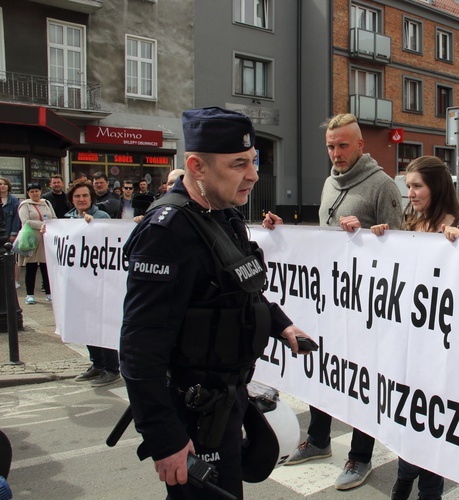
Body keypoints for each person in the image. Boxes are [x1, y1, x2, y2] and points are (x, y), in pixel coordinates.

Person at [120, 106, 314, 499]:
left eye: (253, 161)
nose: (253, 175)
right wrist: (166, 439)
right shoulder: (168, 232)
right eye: (238, 164)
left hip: (228, 400)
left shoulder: (223, 215)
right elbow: (140, 349)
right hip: (192, 414)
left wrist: (281, 324)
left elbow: (240, 289)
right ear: (197, 166)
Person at [263, 113, 402, 491]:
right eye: (330, 145)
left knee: (360, 380)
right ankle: (320, 441)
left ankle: (360, 456)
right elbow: (323, 241)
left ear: (360, 146)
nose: (336, 152)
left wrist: (370, 238)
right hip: (330, 302)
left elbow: (401, 248)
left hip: (367, 307)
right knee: (325, 371)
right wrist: (283, 233)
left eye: (343, 145)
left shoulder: (383, 186)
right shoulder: (329, 182)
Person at [370, 156, 459, 500]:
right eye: (408, 187)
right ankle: (404, 479)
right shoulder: (411, 222)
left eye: (417, 186)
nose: (411, 194)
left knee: (434, 425)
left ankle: (426, 492)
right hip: (410, 345)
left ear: (437, 187)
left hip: (443, 351)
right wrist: (381, 239)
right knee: (411, 422)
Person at [65, 180, 121, 387]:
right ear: (72, 199)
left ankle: (112, 368)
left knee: (102, 324)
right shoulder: (69, 218)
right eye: (77, 196)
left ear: (92, 198)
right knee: (86, 324)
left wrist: (92, 225)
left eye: (85, 196)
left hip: (100, 281)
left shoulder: (101, 217)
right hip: (80, 282)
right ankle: (96, 364)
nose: (81, 199)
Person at [18, 183, 56, 304]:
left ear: (40, 191)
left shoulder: (47, 203)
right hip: (31, 240)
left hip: (46, 239)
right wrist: (43, 224)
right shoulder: (25, 205)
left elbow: (53, 217)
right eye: (32, 191)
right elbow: (26, 221)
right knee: (31, 267)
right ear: (28, 193)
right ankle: (30, 295)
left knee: (46, 267)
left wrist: (50, 225)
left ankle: (49, 293)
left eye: (36, 191)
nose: (35, 193)